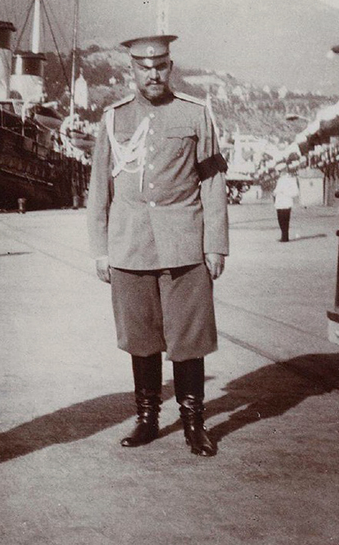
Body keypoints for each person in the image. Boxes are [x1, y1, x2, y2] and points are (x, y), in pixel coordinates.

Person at [86, 34, 229, 457]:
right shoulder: (113, 119)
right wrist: (100, 248)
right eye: (144, 67)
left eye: (161, 66)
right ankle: (147, 420)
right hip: (129, 244)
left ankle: (193, 424)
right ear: (131, 71)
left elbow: (213, 183)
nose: (153, 73)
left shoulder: (196, 114)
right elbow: (99, 188)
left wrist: (216, 244)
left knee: (190, 338)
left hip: (185, 244)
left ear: (171, 67)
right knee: (141, 337)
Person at [273, 169, 300, 242]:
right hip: (279, 203)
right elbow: (277, 190)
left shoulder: (291, 180)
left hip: (286, 202)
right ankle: (283, 235)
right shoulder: (280, 180)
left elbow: (296, 192)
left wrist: (285, 193)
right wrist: (275, 192)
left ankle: (285, 237)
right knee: (280, 219)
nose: (279, 173)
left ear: (285, 171)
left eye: (280, 171)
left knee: (285, 220)